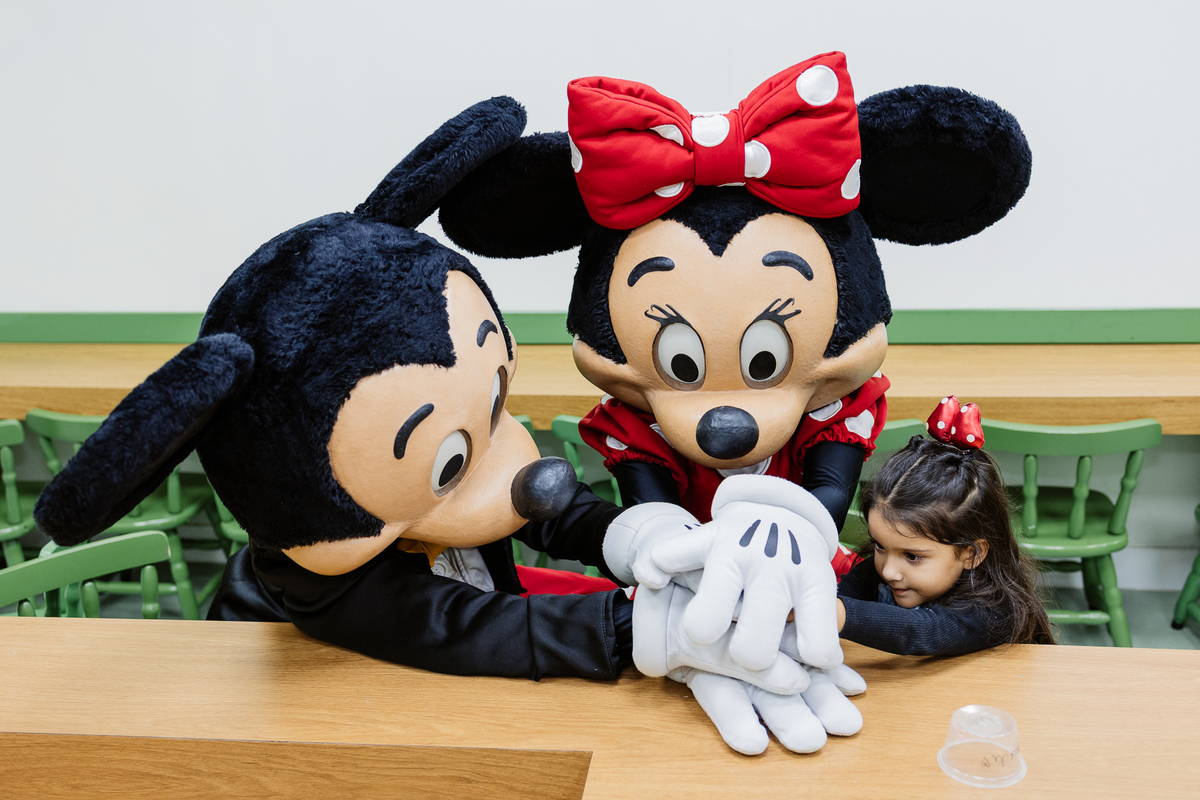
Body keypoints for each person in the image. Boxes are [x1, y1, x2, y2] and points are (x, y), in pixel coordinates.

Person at [835, 399, 1055, 655]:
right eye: (879, 546)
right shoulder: (887, 570)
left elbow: (924, 631)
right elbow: (838, 594)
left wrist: (838, 614)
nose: (889, 571)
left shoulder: (994, 609)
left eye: (912, 556)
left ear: (971, 554)